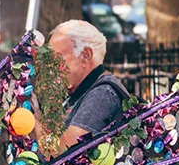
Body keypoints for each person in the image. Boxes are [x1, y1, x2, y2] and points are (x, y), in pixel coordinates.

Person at [43, 19, 130, 152]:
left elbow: (65, 153)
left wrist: (30, 123)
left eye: (57, 58)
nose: (50, 67)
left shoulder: (102, 94)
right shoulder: (82, 91)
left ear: (86, 55)